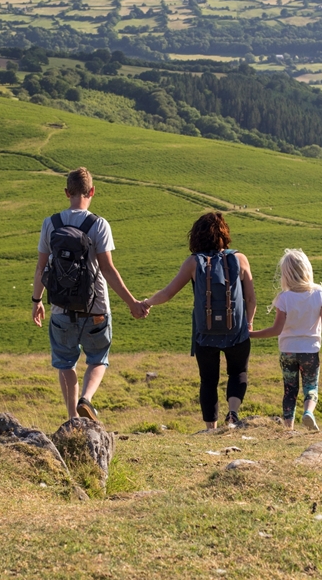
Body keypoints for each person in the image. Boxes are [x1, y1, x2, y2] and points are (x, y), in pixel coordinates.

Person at [32, 167, 146, 422]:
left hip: (61, 309)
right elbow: (107, 269)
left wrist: (37, 300)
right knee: (97, 358)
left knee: (64, 362)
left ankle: (73, 418)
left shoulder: (50, 223)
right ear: (92, 191)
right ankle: (87, 399)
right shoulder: (99, 224)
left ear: (66, 192)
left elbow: (41, 267)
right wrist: (132, 302)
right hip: (96, 309)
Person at [143, 212, 255, 430]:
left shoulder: (193, 263)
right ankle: (232, 414)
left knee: (208, 381)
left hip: (206, 334)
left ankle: (210, 428)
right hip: (237, 332)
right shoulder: (240, 259)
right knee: (238, 373)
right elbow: (251, 298)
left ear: (196, 236)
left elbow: (167, 293)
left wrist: (146, 303)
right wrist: (247, 323)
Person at [250, 249, 322, 431]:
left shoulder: (284, 298)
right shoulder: (320, 294)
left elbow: (276, 329)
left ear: (286, 274)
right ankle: (308, 413)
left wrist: (251, 334)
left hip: (287, 350)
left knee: (290, 389)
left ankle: (289, 427)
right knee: (311, 386)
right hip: (310, 350)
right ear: (307, 269)